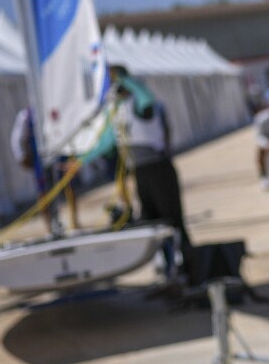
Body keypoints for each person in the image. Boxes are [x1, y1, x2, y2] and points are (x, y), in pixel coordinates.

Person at [81, 64, 197, 283]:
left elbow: (146, 97)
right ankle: (166, 268)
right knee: (152, 222)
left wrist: (124, 79)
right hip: (140, 173)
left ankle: (188, 267)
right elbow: (104, 143)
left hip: (159, 169)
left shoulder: (142, 105)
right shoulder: (117, 111)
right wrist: (79, 162)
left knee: (172, 220)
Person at [10, 107, 79, 230]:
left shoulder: (58, 106)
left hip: (60, 153)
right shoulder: (27, 116)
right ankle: (49, 226)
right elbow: (17, 139)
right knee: (43, 192)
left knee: (69, 185)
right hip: (41, 158)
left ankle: (74, 221)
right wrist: (22, 158)